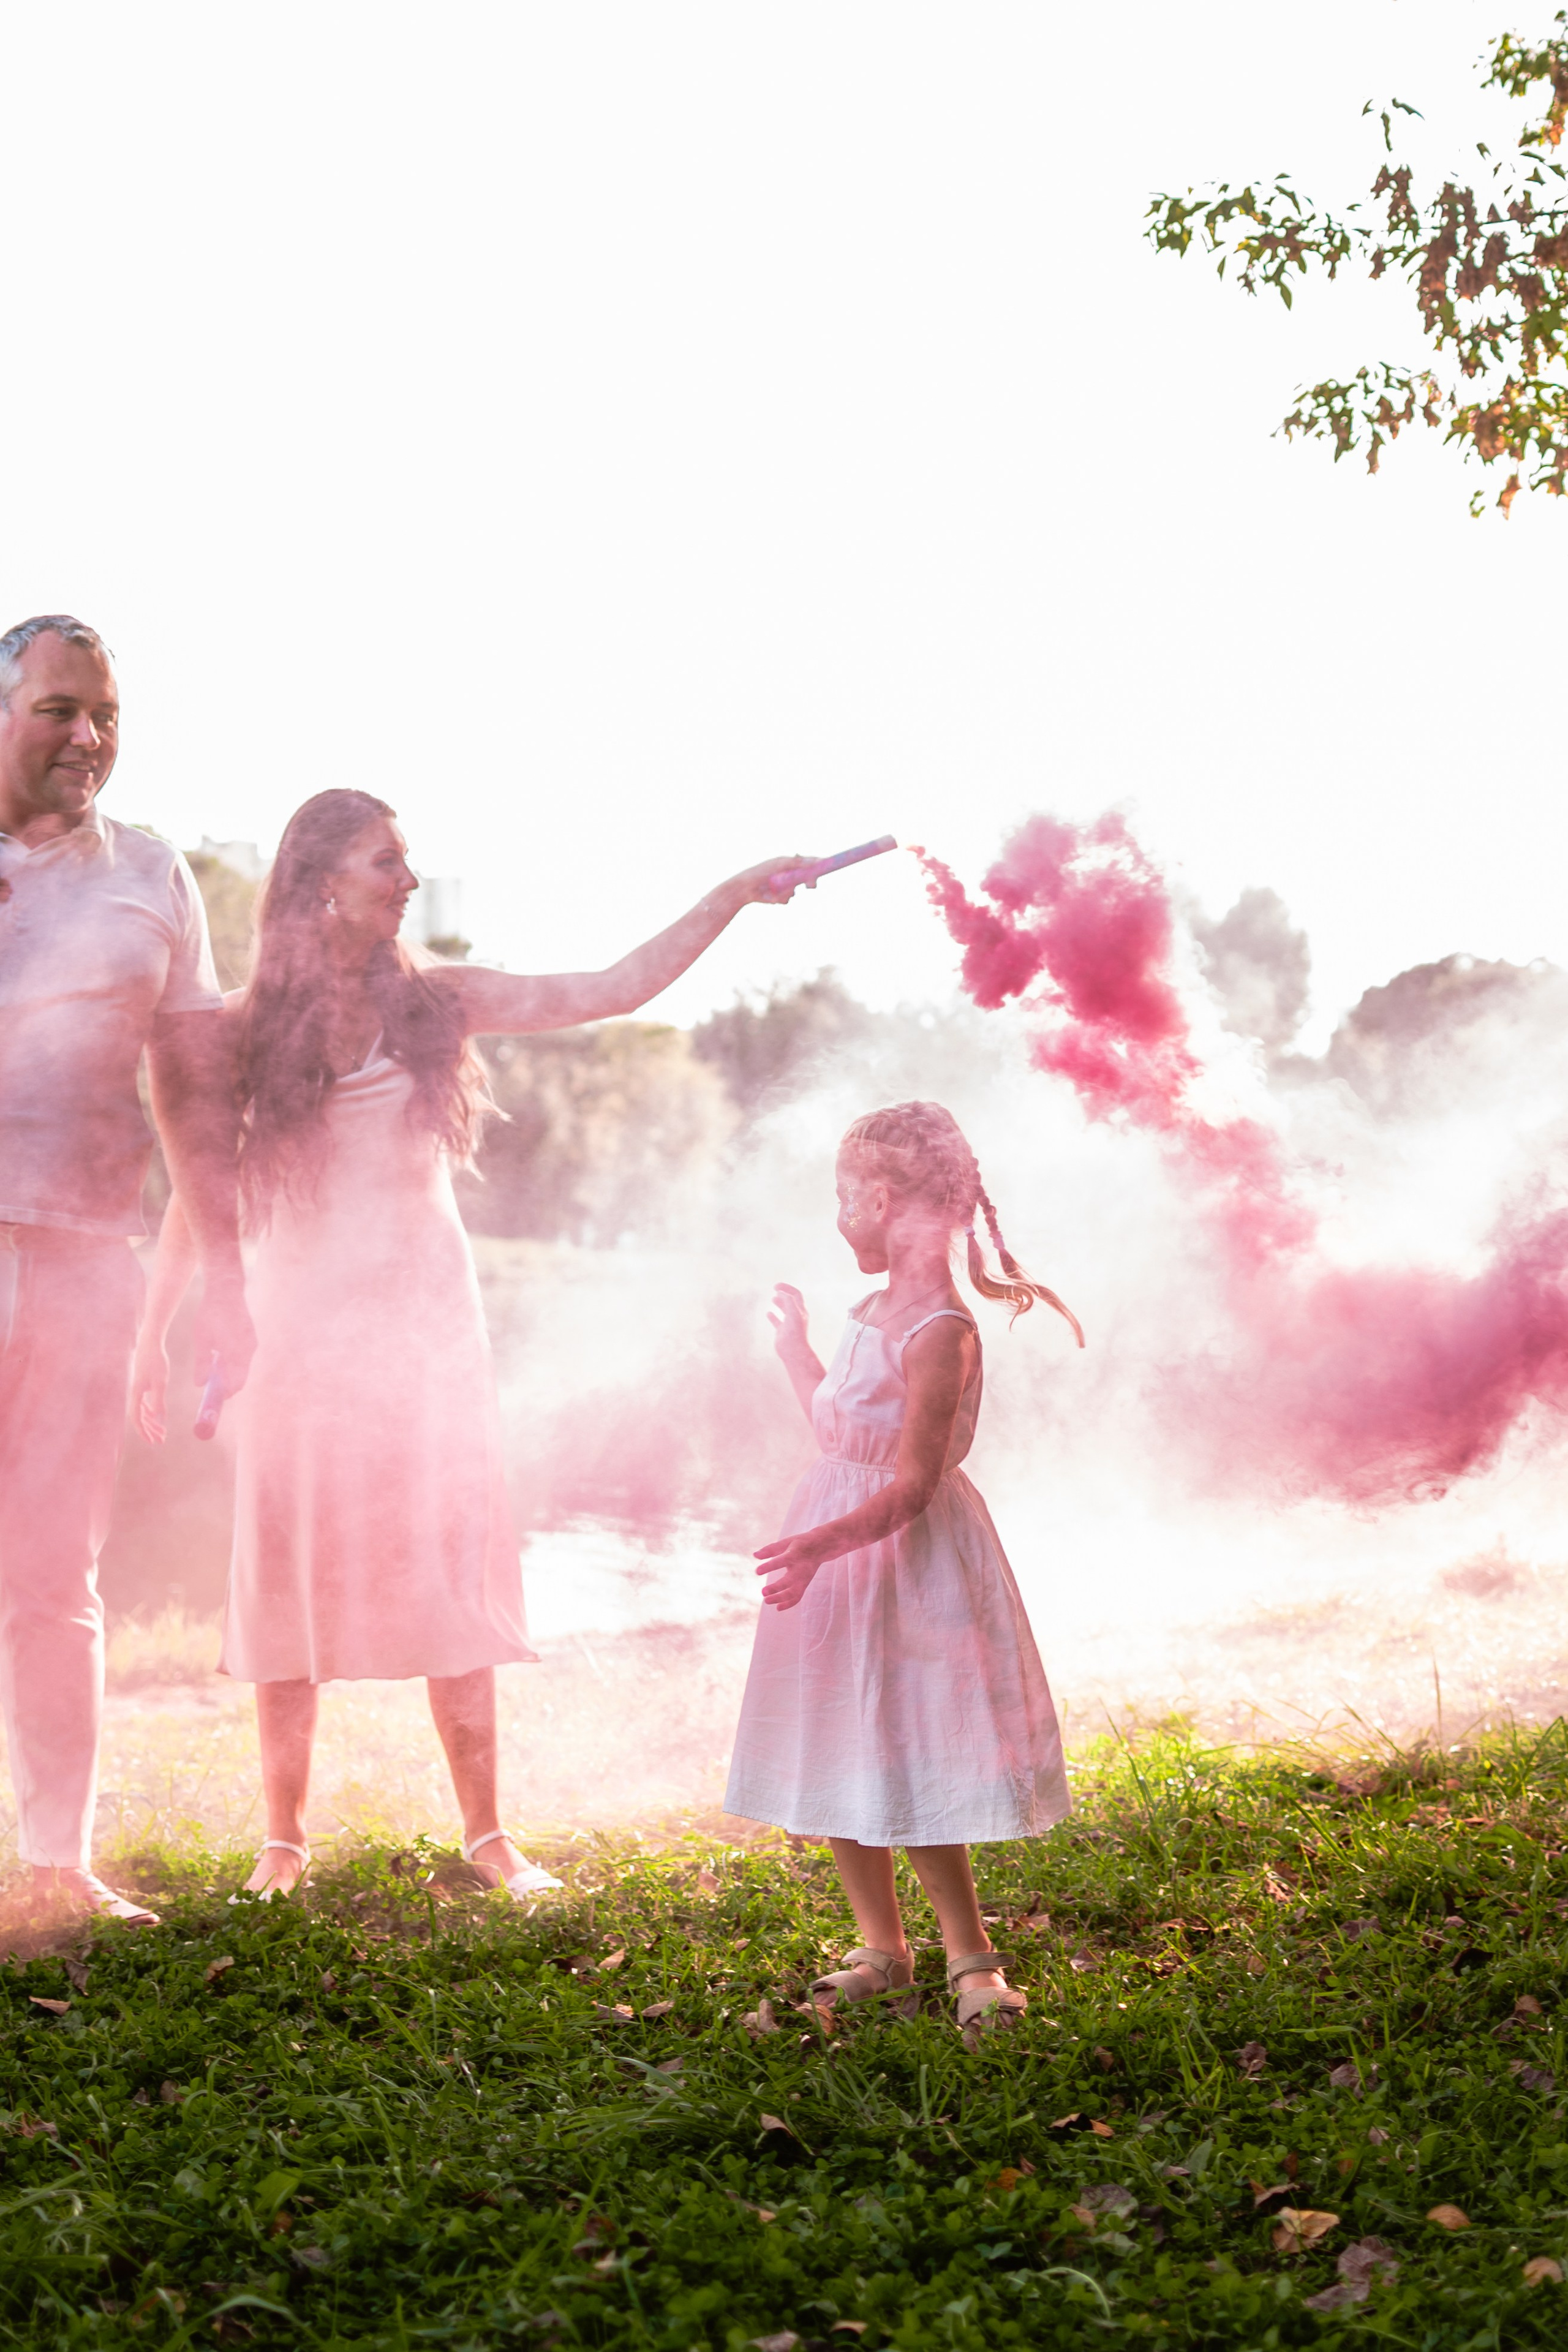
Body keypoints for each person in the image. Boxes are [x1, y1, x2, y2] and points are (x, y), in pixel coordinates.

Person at [134, 787, 813, 1898]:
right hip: (298, 1342)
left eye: (406, 862)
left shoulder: (440, 1003)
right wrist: (152, 1330)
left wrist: (735, 893)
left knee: (450, 1558)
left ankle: (489, 1835)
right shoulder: (245, 1031)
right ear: (321, 886)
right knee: (286, 1559)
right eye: (386, 862)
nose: (408, 880)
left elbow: (614, 986)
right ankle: (282, 1841)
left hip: (428, 1338)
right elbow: (196, 1187)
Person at [723, 1100, 1082, 2034]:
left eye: (845, 1199)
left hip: (903, 1562)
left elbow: (916, 1482)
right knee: (840, 1739)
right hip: (839, 1561)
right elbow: (840, 1426)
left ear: (881, 1200)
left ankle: (971, 1957)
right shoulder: (870, 1313)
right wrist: (796, 1353)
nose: (839, 1218)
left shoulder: (939, 1331)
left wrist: (816, 1543)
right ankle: (882, 1948)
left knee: (909, 1742)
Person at [0, 614, 254, 1925]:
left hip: (90, 1260)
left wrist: (226, 1283)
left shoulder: (150, 876)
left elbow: (194, 1096)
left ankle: (57, 1864)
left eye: (104, 714)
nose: (88, 738)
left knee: (55, 1573)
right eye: (58, 710)